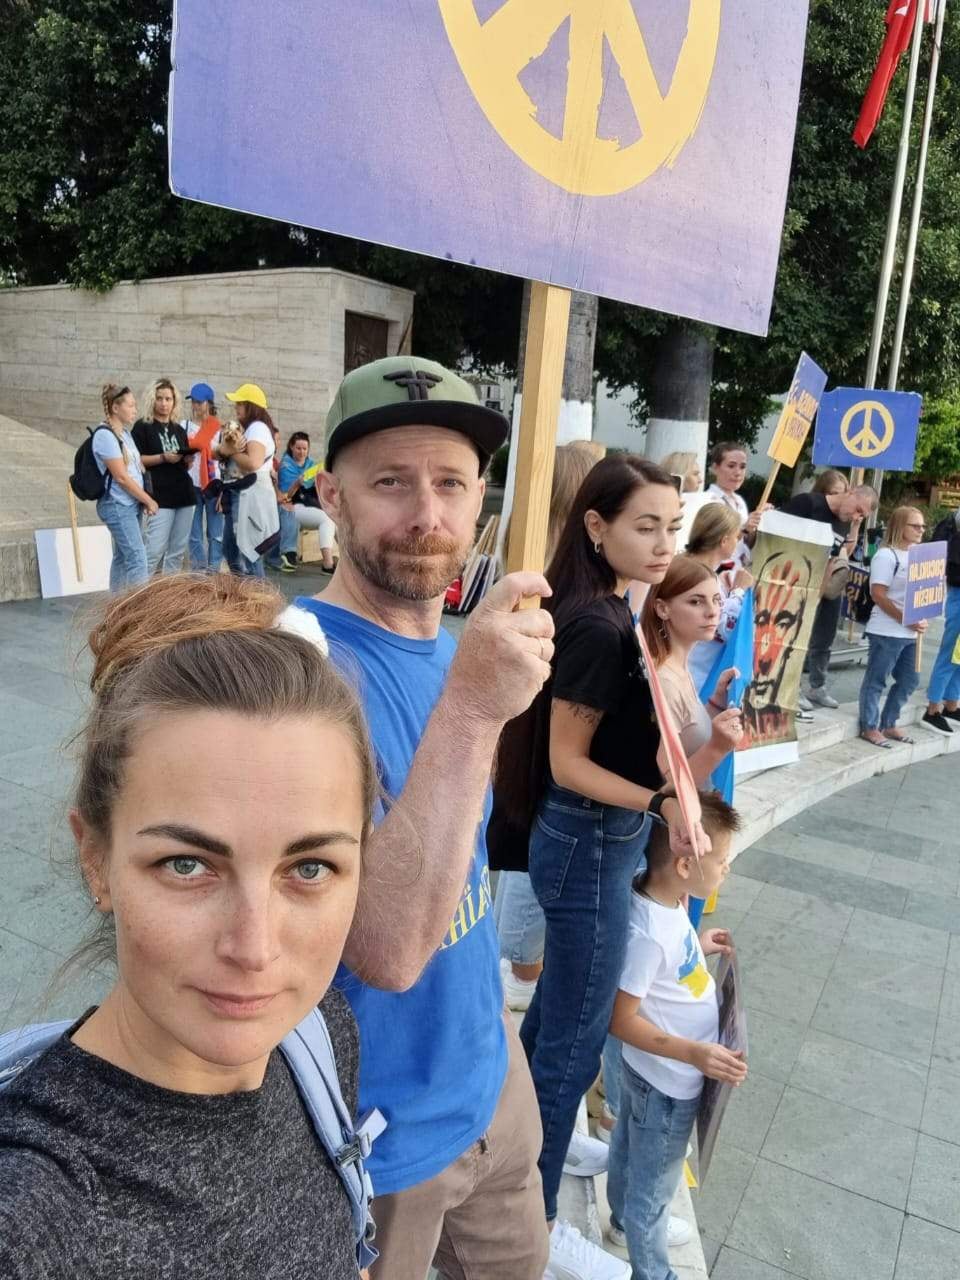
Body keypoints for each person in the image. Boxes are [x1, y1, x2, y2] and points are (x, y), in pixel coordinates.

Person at [0, 573, 379, 1278]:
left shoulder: (316, 1034)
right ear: (95, 857)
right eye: (185, 865)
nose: (255, 949)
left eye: (310, 869)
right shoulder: (35, 1215)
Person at [302, 355, 555, 1280]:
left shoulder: (457, 649)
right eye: (391, 483)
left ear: (482, 498)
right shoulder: (299, 671)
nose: (427, 516)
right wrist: (476, 710)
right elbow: (388, 949)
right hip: (381, 1142)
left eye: (451, 482)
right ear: (332, 494)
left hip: (492, 1081)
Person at [497, 454, 709, 1280]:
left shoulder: (614, 610)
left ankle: (528, 1164)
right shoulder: (593, 624)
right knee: (573, 1045)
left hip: (596, 845)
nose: (663, 546)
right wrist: (661, 804)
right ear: (597, 526)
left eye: (672, 527)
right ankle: (533, 1226)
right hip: (587, 843)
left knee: (558, 1017)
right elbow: (568, 764)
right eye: (644, 526)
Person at [605, 793, 747, 1278]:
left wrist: (699, 947)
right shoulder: (648, 932)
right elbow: (621, 1020)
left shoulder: (665, 906)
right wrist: (695, 1053)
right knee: (655, 1193)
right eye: (722, 861)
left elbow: (668, 971)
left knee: (627, 1147)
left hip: (656, 1076)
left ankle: (623, 1221)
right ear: (685, 864)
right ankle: (653, 1268)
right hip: (669, 1082)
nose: (725, 870)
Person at [492, 441, 600, 1013]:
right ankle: (521, 980)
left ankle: (521, 975)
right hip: (541, 760)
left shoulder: (556, 573)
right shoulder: (559, 581)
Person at [641, 556, 744, 785]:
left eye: (717, 600)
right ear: (662, 608)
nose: (712, 611)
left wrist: (716, 702)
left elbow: (687, 734)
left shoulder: (678, 666)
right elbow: (665, 787)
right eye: (696, 602)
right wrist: (717, 748)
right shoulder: (665, 680)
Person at [779, 482, 878, 711]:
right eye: (857, 509)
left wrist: (818, 593)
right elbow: (775, 535)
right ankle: (790, 689)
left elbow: (832, 559)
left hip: (812, 587)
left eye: (861, 515)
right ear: (850, 491)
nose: (855, 516)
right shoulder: (808, 503)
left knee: (811, 639)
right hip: (787, 582)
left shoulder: (843, 523)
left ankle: (806, 687)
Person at [858, 506, 928, 748]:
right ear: (900, 526)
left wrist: (923, 614)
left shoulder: (919, 554)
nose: (921, 530)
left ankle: (889, 722)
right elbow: (878, 594)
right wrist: (905, 618)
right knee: (877, 679)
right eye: (915, 525)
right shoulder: (886, 556)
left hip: (909, 631)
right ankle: (869, 725)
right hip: (886, 630)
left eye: (922, 526)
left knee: (909, 679)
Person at [91, 383, 157, 590]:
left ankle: (114, 607)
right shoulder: (104, 436)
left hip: (130, 504)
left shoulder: (125, 435)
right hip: (117, 504)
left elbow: (137, 470)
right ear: (115, 408)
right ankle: (141, 612)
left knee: (122, 556)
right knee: (138, 557)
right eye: (130, 405)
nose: (134, 410)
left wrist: (143, 497)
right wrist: (147, 499)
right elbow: (121, 477)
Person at [214, 384, 281, 577]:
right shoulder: (252, 428)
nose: (236, 407)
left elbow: (253, 463)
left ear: (251, 406)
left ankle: (257, 598)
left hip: (250, 495)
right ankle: (245, 594)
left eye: (240, 404)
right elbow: (215, 453)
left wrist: (230, 450)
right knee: (231, 548)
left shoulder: (258, 428)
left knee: (248, 552)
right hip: (243, 494)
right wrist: (224, 450)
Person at [685, 503, 753, 692]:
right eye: (736, 537)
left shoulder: (687, 565)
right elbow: (722, 627)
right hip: (693, 675)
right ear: (724, 541)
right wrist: (738, 592)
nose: (737, 542)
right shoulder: (700, 575)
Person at [133, 379, 196, 575]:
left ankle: (168, 597)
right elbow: (136, 460)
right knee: (153, 550)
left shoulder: (179, 429)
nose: (164, 403)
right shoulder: (142, 427)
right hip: (158, 496)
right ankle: (139, 595)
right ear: (152, 400)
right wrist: (163, 457)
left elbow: (185, 465)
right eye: (159, 398)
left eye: (168, 399)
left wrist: (187, 460)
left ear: (174, 401)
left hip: (184, 493)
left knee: (177, 552)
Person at [274, 432, 337, 574]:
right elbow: (286, 497)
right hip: (291, 509)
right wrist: (298, 482)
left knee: (336, 520)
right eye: (298, 448)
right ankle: (328, 564)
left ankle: (349, 564)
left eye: (304, 449)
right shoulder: (286, 466)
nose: (302, 452)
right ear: (291, 447)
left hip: (310, 505)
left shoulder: (312, 465)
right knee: (326, 519)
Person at [923, 508, 960, 734]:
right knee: (949, 654)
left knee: (959, 655)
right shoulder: (956, 540)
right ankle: (933, 708)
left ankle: (951, 703)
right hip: (958, 596)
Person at [704, 441, 764, 566]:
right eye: (731, 466)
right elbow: (718, 542)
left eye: (742, 467)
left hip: (739, 571)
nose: (738, 472)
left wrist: (760, 521)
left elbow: (746, 541)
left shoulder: (740, 501)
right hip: (717, 571)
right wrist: (744, 529)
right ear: (715, 468)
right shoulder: (709, 500)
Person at [185, 381, 224, 572]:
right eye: (193, 401)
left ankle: (214, 571)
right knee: (194, 533)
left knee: (215, 532)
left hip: (214, 483)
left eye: (199, 402)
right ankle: (199, 572)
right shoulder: (184, 426)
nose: (195, 406)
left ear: (209, 403)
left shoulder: (218, 427)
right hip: (191, 483)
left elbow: (198, 444)